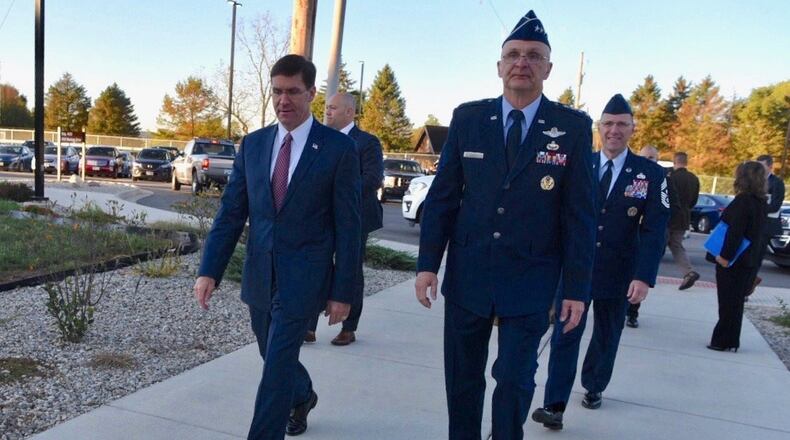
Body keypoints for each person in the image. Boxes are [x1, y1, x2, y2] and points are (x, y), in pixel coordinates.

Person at [415, 10, 597, 439]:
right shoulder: (469, 119)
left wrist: (576, 289)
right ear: (499, 66)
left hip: (531, 279)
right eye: (513, 54)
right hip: (469, 274)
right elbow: (442, 198)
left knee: (515, 380)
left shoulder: (571, 128)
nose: (522, 62)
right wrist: (427, 265)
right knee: (462, 379)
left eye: (533, 56)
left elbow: (581, 217)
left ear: (548, 69)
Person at [193, 54, 361, 439]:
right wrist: (209, 270)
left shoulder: (336, 149)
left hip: (305, 278)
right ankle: (303, 396)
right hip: (259, 273)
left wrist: (343, 292)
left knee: (278, 364)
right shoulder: (253, 145)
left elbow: (349, 227)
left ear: (311, 93)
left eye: (293, 92)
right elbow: (231, 213)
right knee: (273, 355)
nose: (284, 100)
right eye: (277, 92)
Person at [531, 94, 669, 431]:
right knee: (566, 334)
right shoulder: (580, 164)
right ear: (599, 128)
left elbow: (655, 230)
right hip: (576, 268)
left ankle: (594, 386)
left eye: (622, 124)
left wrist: (643, 276)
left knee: (607, 334)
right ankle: (555, 405)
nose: (614, 130)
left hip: (619, 272)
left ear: (633, 129)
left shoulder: (650, 174)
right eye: (608, 123)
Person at [305, 92, 384, 346]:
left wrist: (339, 192)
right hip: (321, 216)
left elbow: (372, 178)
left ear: (349, 112)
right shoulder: (318, 140)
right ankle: (308, 327)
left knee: (351, 271)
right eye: (327, 107)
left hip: (356, 217)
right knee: (317, 266)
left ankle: (349, 328)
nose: (327, 111)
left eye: (333, 108)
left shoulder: (367, 143)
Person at [708, 161, 767, 351]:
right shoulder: (761, 202)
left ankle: (721, 340)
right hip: (750, 259)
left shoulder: (743, 201)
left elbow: (735, 232)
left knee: (727, 302)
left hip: (734, 259)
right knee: (736, 303)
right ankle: (732, 340)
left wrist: (725, 256)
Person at [626, 145, 681, 328]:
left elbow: (672, 207)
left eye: (652, 157)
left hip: (646, 237)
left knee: (638, 275)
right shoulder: (630, 173)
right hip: (626, 235)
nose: (648, 160)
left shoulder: (662, 179)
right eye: (645, 157)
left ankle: (632, 312)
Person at [747, 154, 786, 295]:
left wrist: (758, 208)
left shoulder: (777, 183)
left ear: (770, 167)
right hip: (753, 223)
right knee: (748, 254)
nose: (759, 170)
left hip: (766, 225)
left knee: (756, 256)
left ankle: (749, 285)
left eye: (762, 166)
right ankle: (749, 280)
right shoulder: (754, 181)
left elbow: (775, 206)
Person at [668, 152, 701, 290]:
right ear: (686, 162)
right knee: (676, 245)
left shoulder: (671, 178)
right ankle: (688, 272)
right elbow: (694, 201)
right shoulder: (694, 179)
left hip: (669, 217)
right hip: (684, 217)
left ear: (674, 161)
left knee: (656, 246)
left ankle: (644, 274)